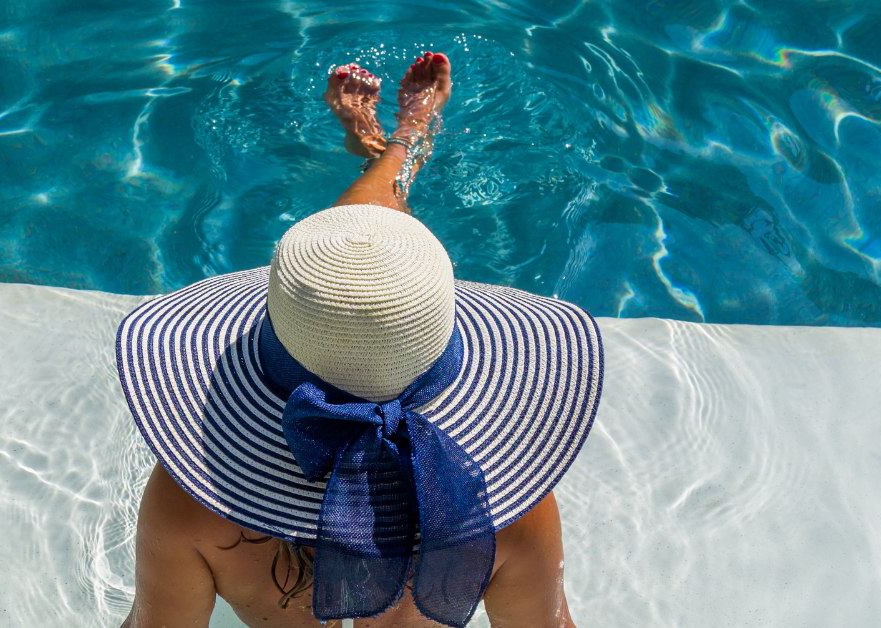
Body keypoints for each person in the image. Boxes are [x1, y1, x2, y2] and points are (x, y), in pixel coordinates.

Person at [117, 52, 602, 628]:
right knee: (367, 254)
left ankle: (393, 144)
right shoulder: (509, 513)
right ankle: (407, 138)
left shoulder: (190, 506)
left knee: (348, 261)